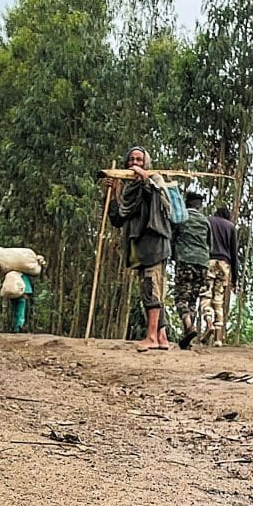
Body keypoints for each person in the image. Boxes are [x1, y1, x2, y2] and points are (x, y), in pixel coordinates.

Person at [108, 146, 173, 352]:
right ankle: (161, 337)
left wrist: (146, 179)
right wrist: (114, 192)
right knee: (149, 290)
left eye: (139, 160)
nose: (135, 163)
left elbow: (160, 201)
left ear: (146, 163)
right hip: (138, 248)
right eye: (131, 160)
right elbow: (118, 218)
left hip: (154, 245)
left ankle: (152, 336)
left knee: (151, 289)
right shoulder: (129, 190)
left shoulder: (156, 182)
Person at [171, 191, 211, 349]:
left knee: (181, 298)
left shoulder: (182, 218)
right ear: (200, 206)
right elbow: (210, 244)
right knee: (193, 300)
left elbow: (173, 239)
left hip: (186, 261)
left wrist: (175, 256)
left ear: (186, 204)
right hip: (202, 263)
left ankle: (189, 326)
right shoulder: (206, 222)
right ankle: (187, 337)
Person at [202, 206, 239, 347]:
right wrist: (235, 278)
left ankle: (209, 323)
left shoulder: (207, 221)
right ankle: (218, 339)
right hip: (224, 264)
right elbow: (234, 254)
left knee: (206, 295)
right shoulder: (230, 227)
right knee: (218, 299)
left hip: (209, 260)